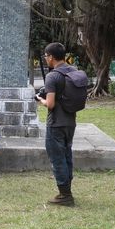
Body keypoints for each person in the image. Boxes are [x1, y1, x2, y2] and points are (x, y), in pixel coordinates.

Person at [36, 42, 77, 206]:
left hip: (56, 124)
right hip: (70, 122)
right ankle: (67, 190)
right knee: (67, 156)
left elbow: (51, 104)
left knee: (57, 158)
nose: (46, 59)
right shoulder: (73, 71)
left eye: (46, 56)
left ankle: (65, 195)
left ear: (51, 57)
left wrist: (41, 99)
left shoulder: (53, 76)